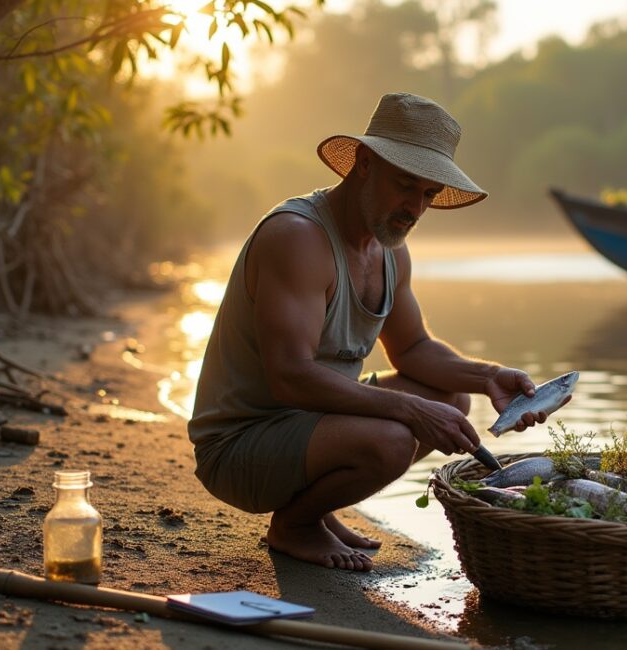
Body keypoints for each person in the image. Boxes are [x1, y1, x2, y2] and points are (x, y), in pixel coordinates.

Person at [188, 93, 553, 572]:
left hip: (309, 427)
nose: (415, 209)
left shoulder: (389, 250)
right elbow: (290, 378)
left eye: (427, 194)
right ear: (363, 163)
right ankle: (295, 525)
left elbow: (414, 349)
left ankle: (314, 507)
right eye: (405, 186)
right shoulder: (297, 237)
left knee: (449, 400)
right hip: (240, 446)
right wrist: (410, 409)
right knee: (393, 439)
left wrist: (488, 377)